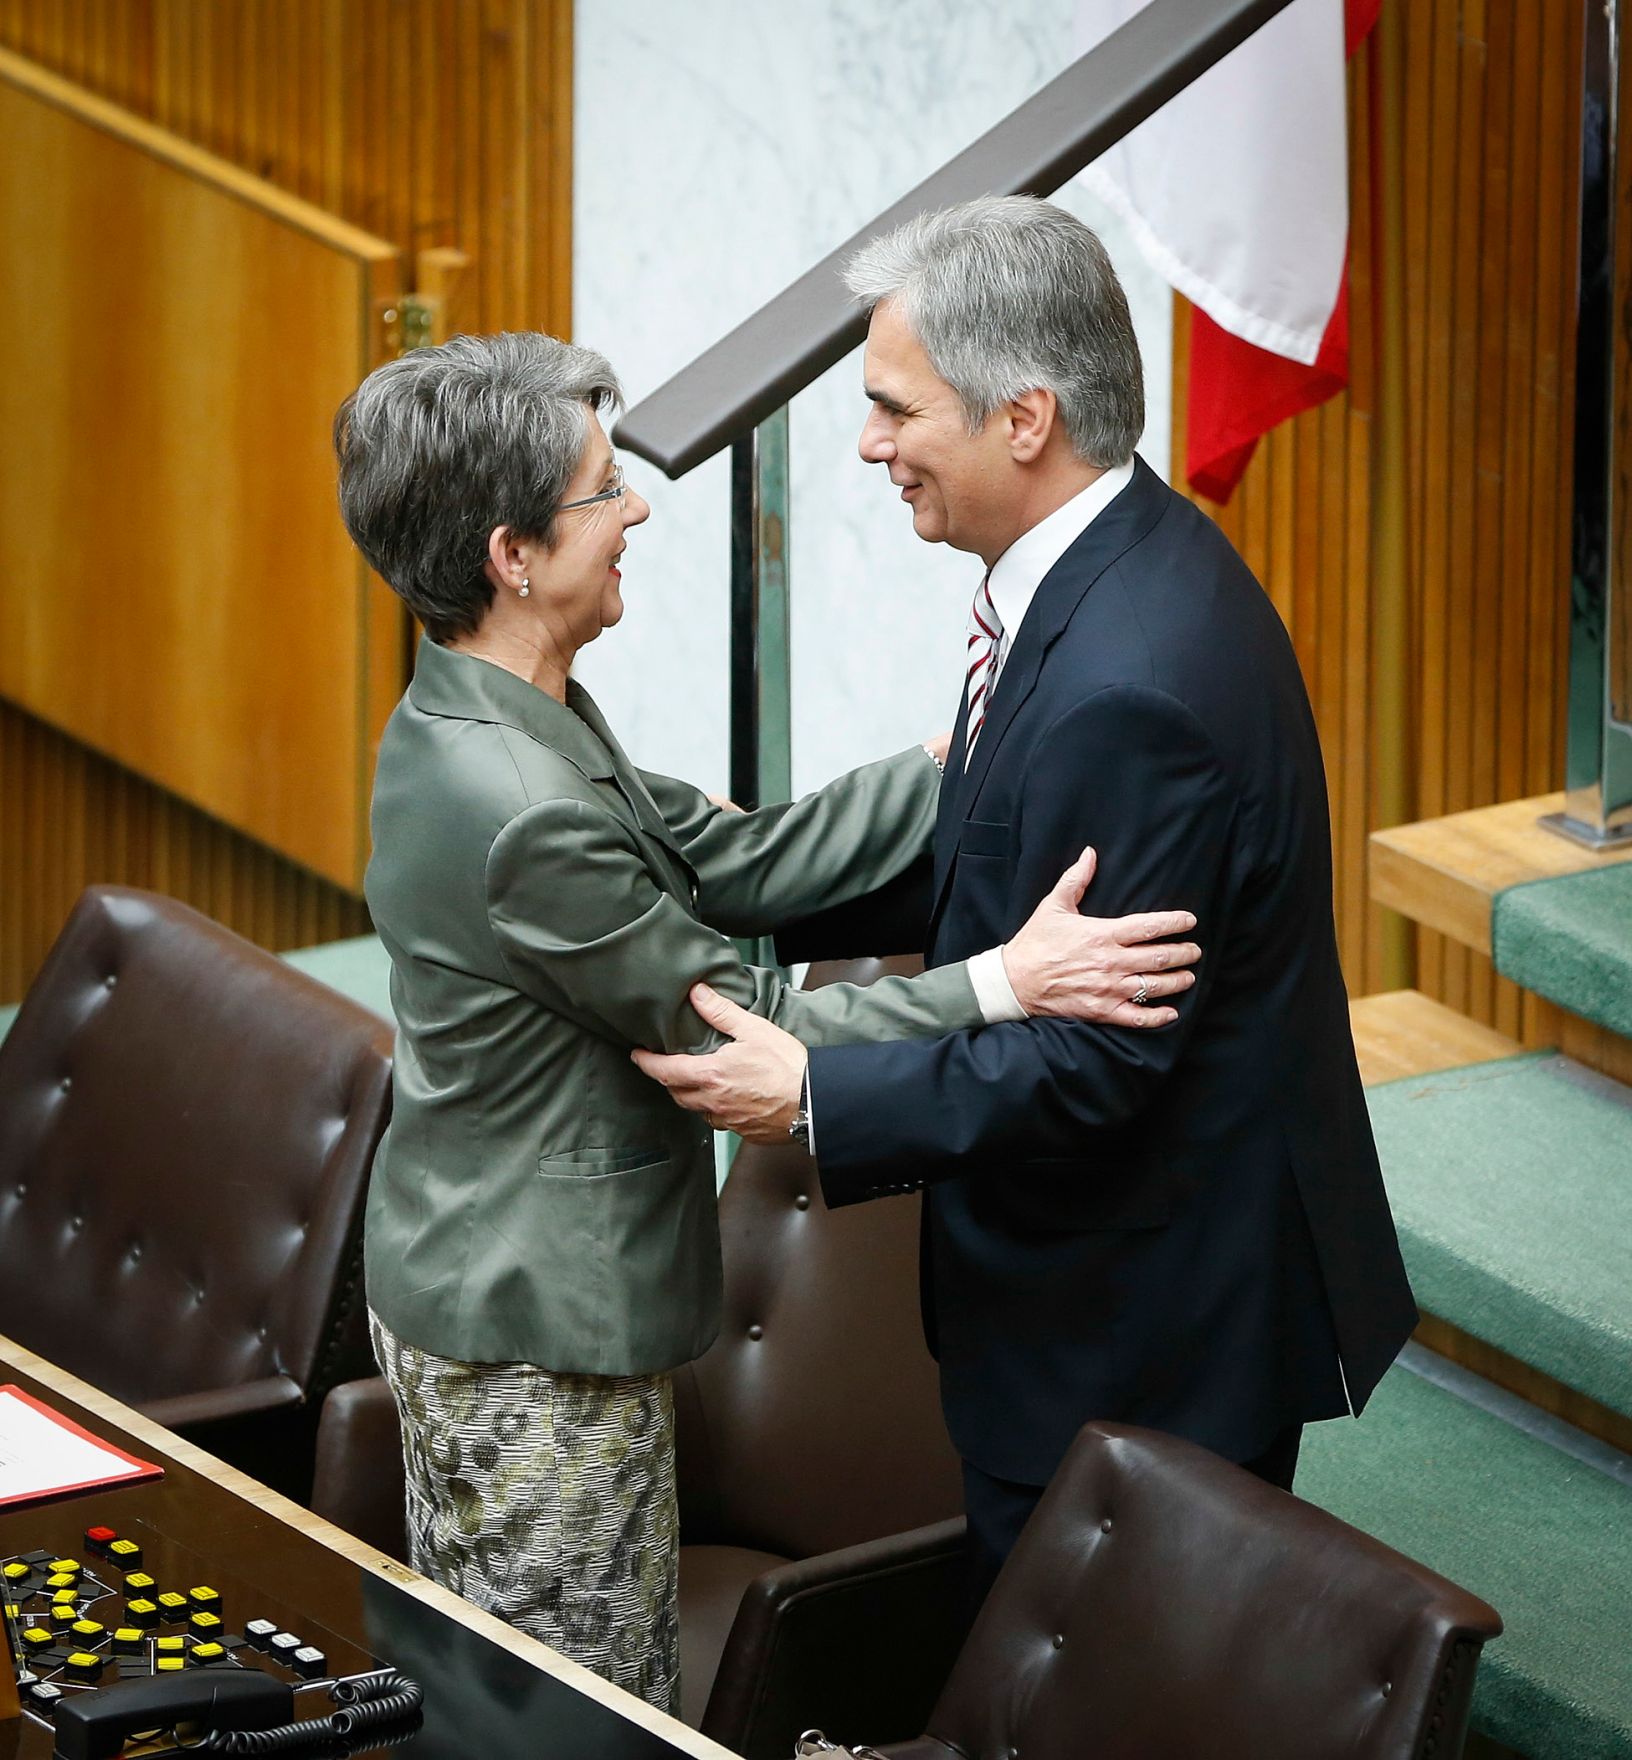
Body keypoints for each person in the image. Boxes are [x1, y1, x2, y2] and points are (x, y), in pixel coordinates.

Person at [331, 329, 1203, 1711]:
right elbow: (745, 1024)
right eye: (604, 492)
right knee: (579, 1710)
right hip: (534, 1331)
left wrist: (965, 752)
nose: (636, 513)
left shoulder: (496, 710)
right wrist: (1005, 983)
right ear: (511, 553)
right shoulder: (521, 812)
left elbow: (730, 856)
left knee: (505, 1696)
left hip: (469, 1275)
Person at [635, 196, 1419, 1609]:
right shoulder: (1097, 575)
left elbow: (1095, 1053)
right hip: (1096, 1308)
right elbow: (994, 850)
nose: (871, 447)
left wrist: (813, 1098)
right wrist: (725, 883)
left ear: (1025, 418)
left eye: (895, 410)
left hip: (1143, 1337)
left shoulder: (1134, 684)